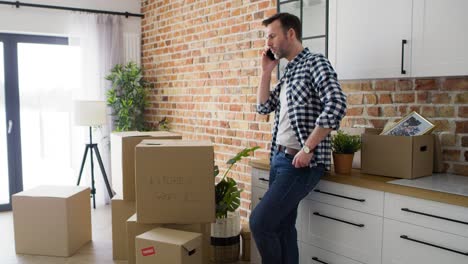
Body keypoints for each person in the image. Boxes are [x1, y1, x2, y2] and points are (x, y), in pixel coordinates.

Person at [249, 13, 347, 264]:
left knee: (259, 223)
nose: (268, 42)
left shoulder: (316, 63)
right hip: (279, 160)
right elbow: (263, 107)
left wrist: (308, 147)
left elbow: (336, 104)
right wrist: (266, 72)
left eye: (272, 35)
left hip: (300, 164)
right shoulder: (290, 71)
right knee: (282, 228)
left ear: (290, 33)